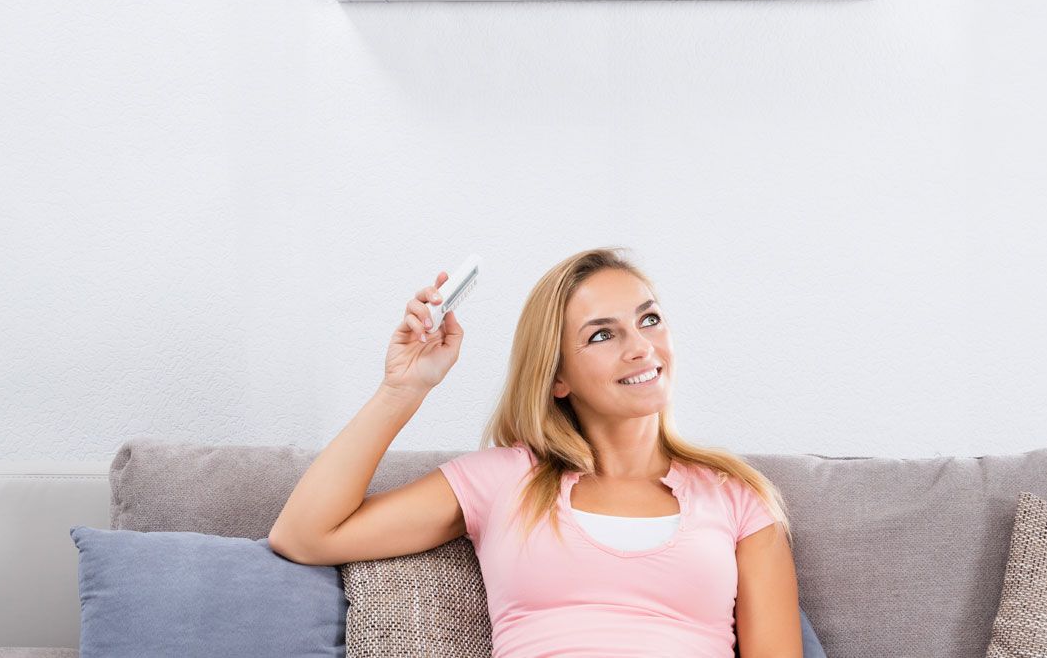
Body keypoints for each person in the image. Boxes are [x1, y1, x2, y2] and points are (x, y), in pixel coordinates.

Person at [269, 246, 802, 657]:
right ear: (557, 377)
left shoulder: (740, 498)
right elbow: (304, 535)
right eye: (601, 336)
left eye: (649, 319)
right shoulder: (503, 481)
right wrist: (402, 389)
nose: (641, 346)